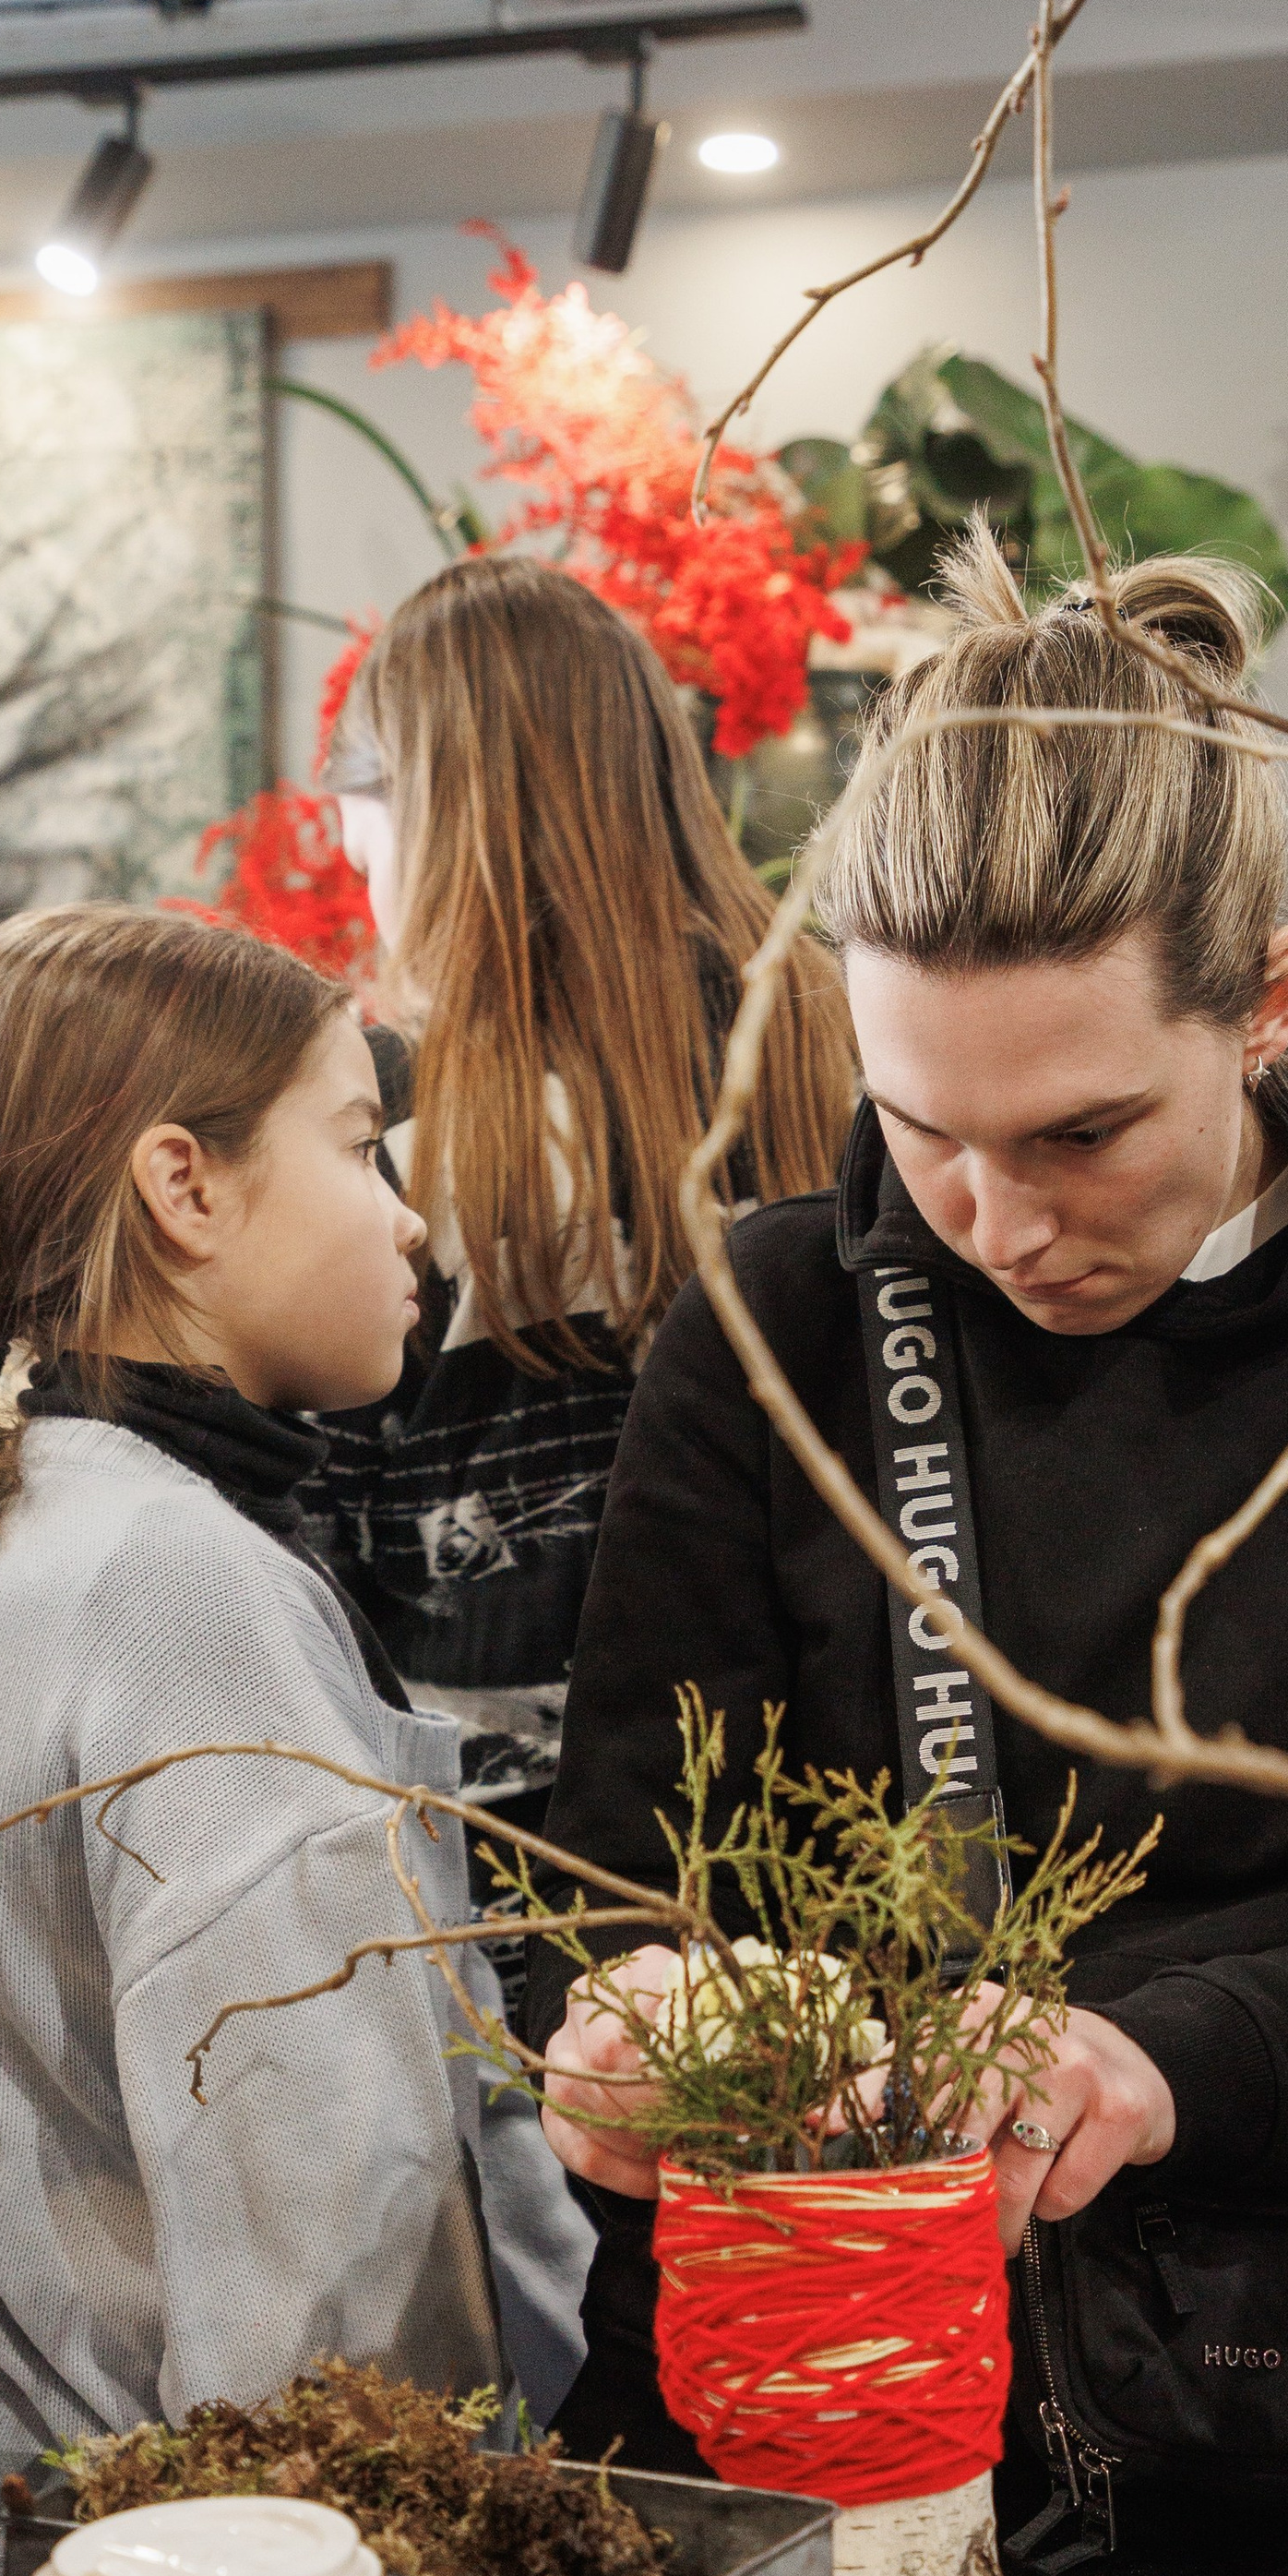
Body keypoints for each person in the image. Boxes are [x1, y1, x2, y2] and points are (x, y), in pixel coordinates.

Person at [533, 528, 1288, 2513]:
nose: (1000, 1226)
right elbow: (619, 1876)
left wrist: (1166, 2060)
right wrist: (630, 2016)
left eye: (1081, 1135)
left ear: (1264, 1002)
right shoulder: (779, 1320)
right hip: (799, 2376)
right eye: (921, 1131)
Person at [0, 903, 593, 2455]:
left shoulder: (53, 1516)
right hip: (188, 2546)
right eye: (360, 1148)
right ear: (184, 1186)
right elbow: (326, 2264)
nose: (408, 1220)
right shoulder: (182, 1591)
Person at [310, 554, 855, 1848]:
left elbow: (306, 1539)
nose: (347, 840)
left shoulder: (391, 1127)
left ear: (425, 804)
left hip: (486, 1860)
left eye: (358, 793)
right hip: (801, 1825)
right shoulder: (834, 1043)